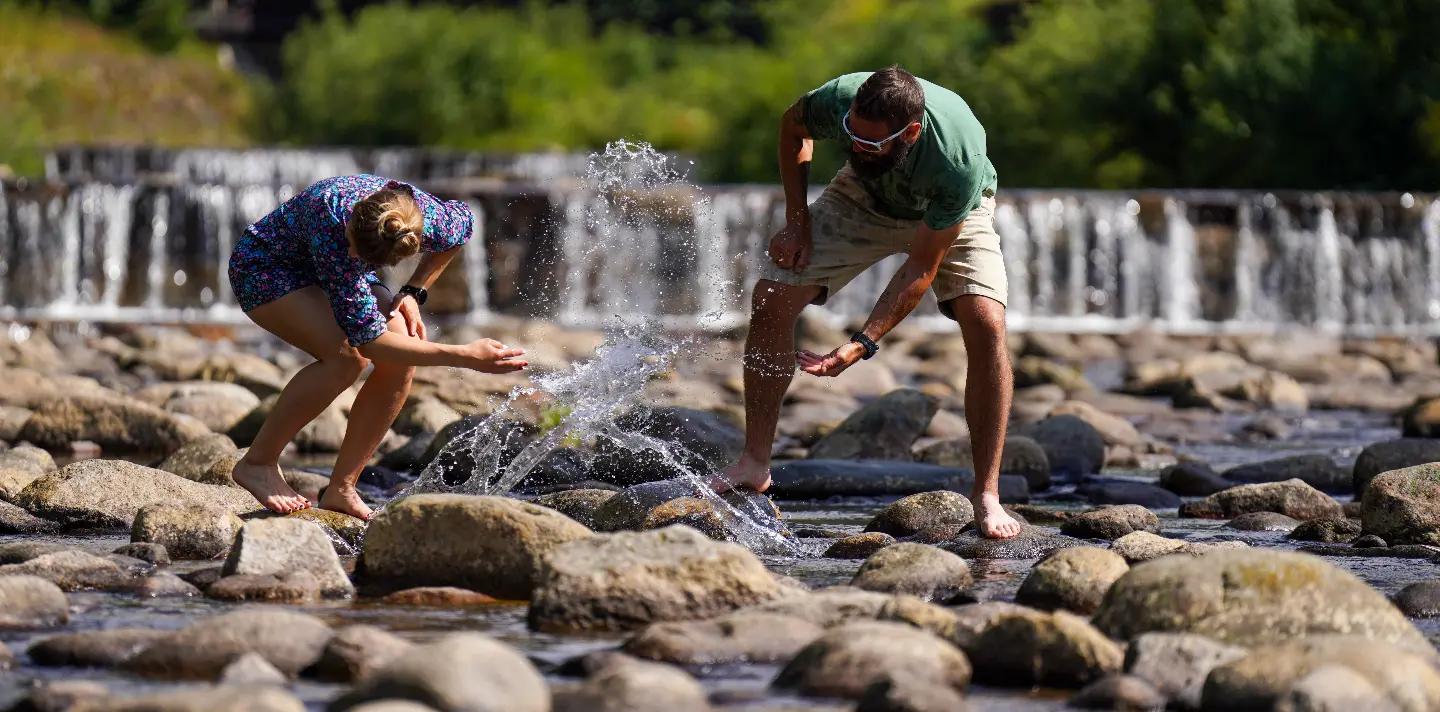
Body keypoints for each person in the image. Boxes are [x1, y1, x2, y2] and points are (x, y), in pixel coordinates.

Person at [715, 66, 1023, 539]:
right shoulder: (839, 100)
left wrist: (862, 343)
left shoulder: (956, 158)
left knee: (986, 325)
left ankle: (987, 494)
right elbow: (792, 128)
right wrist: (796, 221)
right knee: (771, 298)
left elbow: (920, 268)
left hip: (949, 211)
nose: (857, 147)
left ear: (911, 131)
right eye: (852, 136)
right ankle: (755, 462)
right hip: (862, 197)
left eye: (873, 143)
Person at [227, 174, 528, 520]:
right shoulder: (331, 222)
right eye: (353, 246)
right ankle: (258, 463)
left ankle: (342, 487)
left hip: (343, 273)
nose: (354, 251)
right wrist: (465, 355)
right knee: (344, 360)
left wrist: (414, 290)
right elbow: (371, 343)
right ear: (353, 221)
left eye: (361, 253)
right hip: (267, 268)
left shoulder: (424, 219)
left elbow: (463, 226)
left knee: (403, 355)